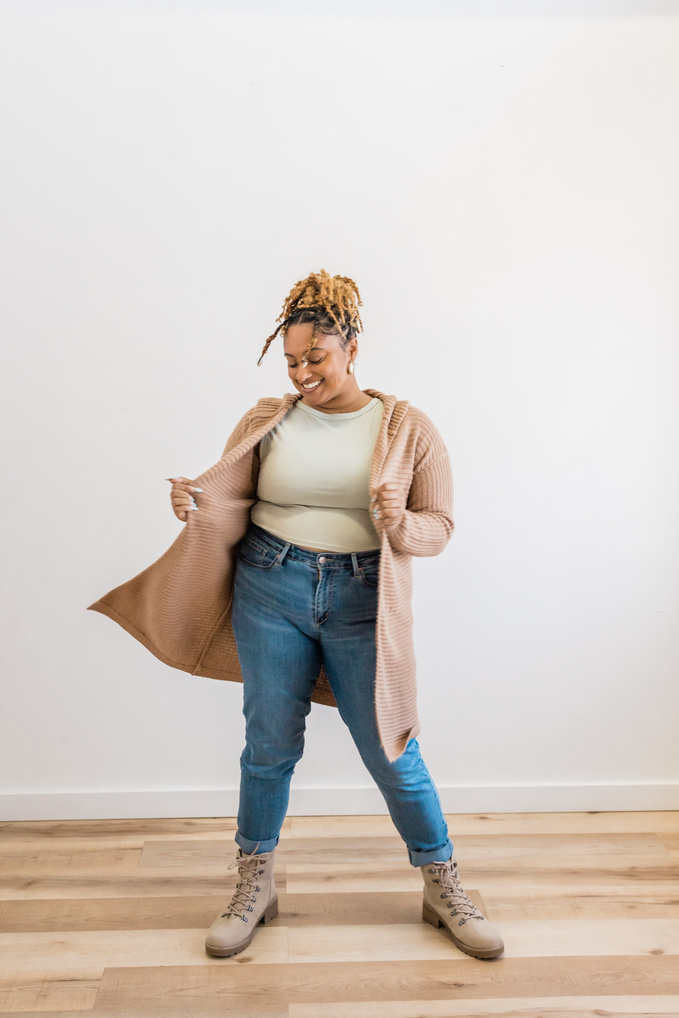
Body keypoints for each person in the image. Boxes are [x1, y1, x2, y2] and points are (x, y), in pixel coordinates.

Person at [88, 269, 503, 962]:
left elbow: (440, 528)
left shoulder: (406, 428)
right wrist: (194, 503)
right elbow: (231, 499)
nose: (303, 372)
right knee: (269, 742)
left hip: (362, 598)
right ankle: (255, 883)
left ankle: (442, 886)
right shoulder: (265, 419)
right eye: (291, 361)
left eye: (315, 357)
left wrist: (399, 525)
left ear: (351, 348)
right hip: (268, 588)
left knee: (390, 749)